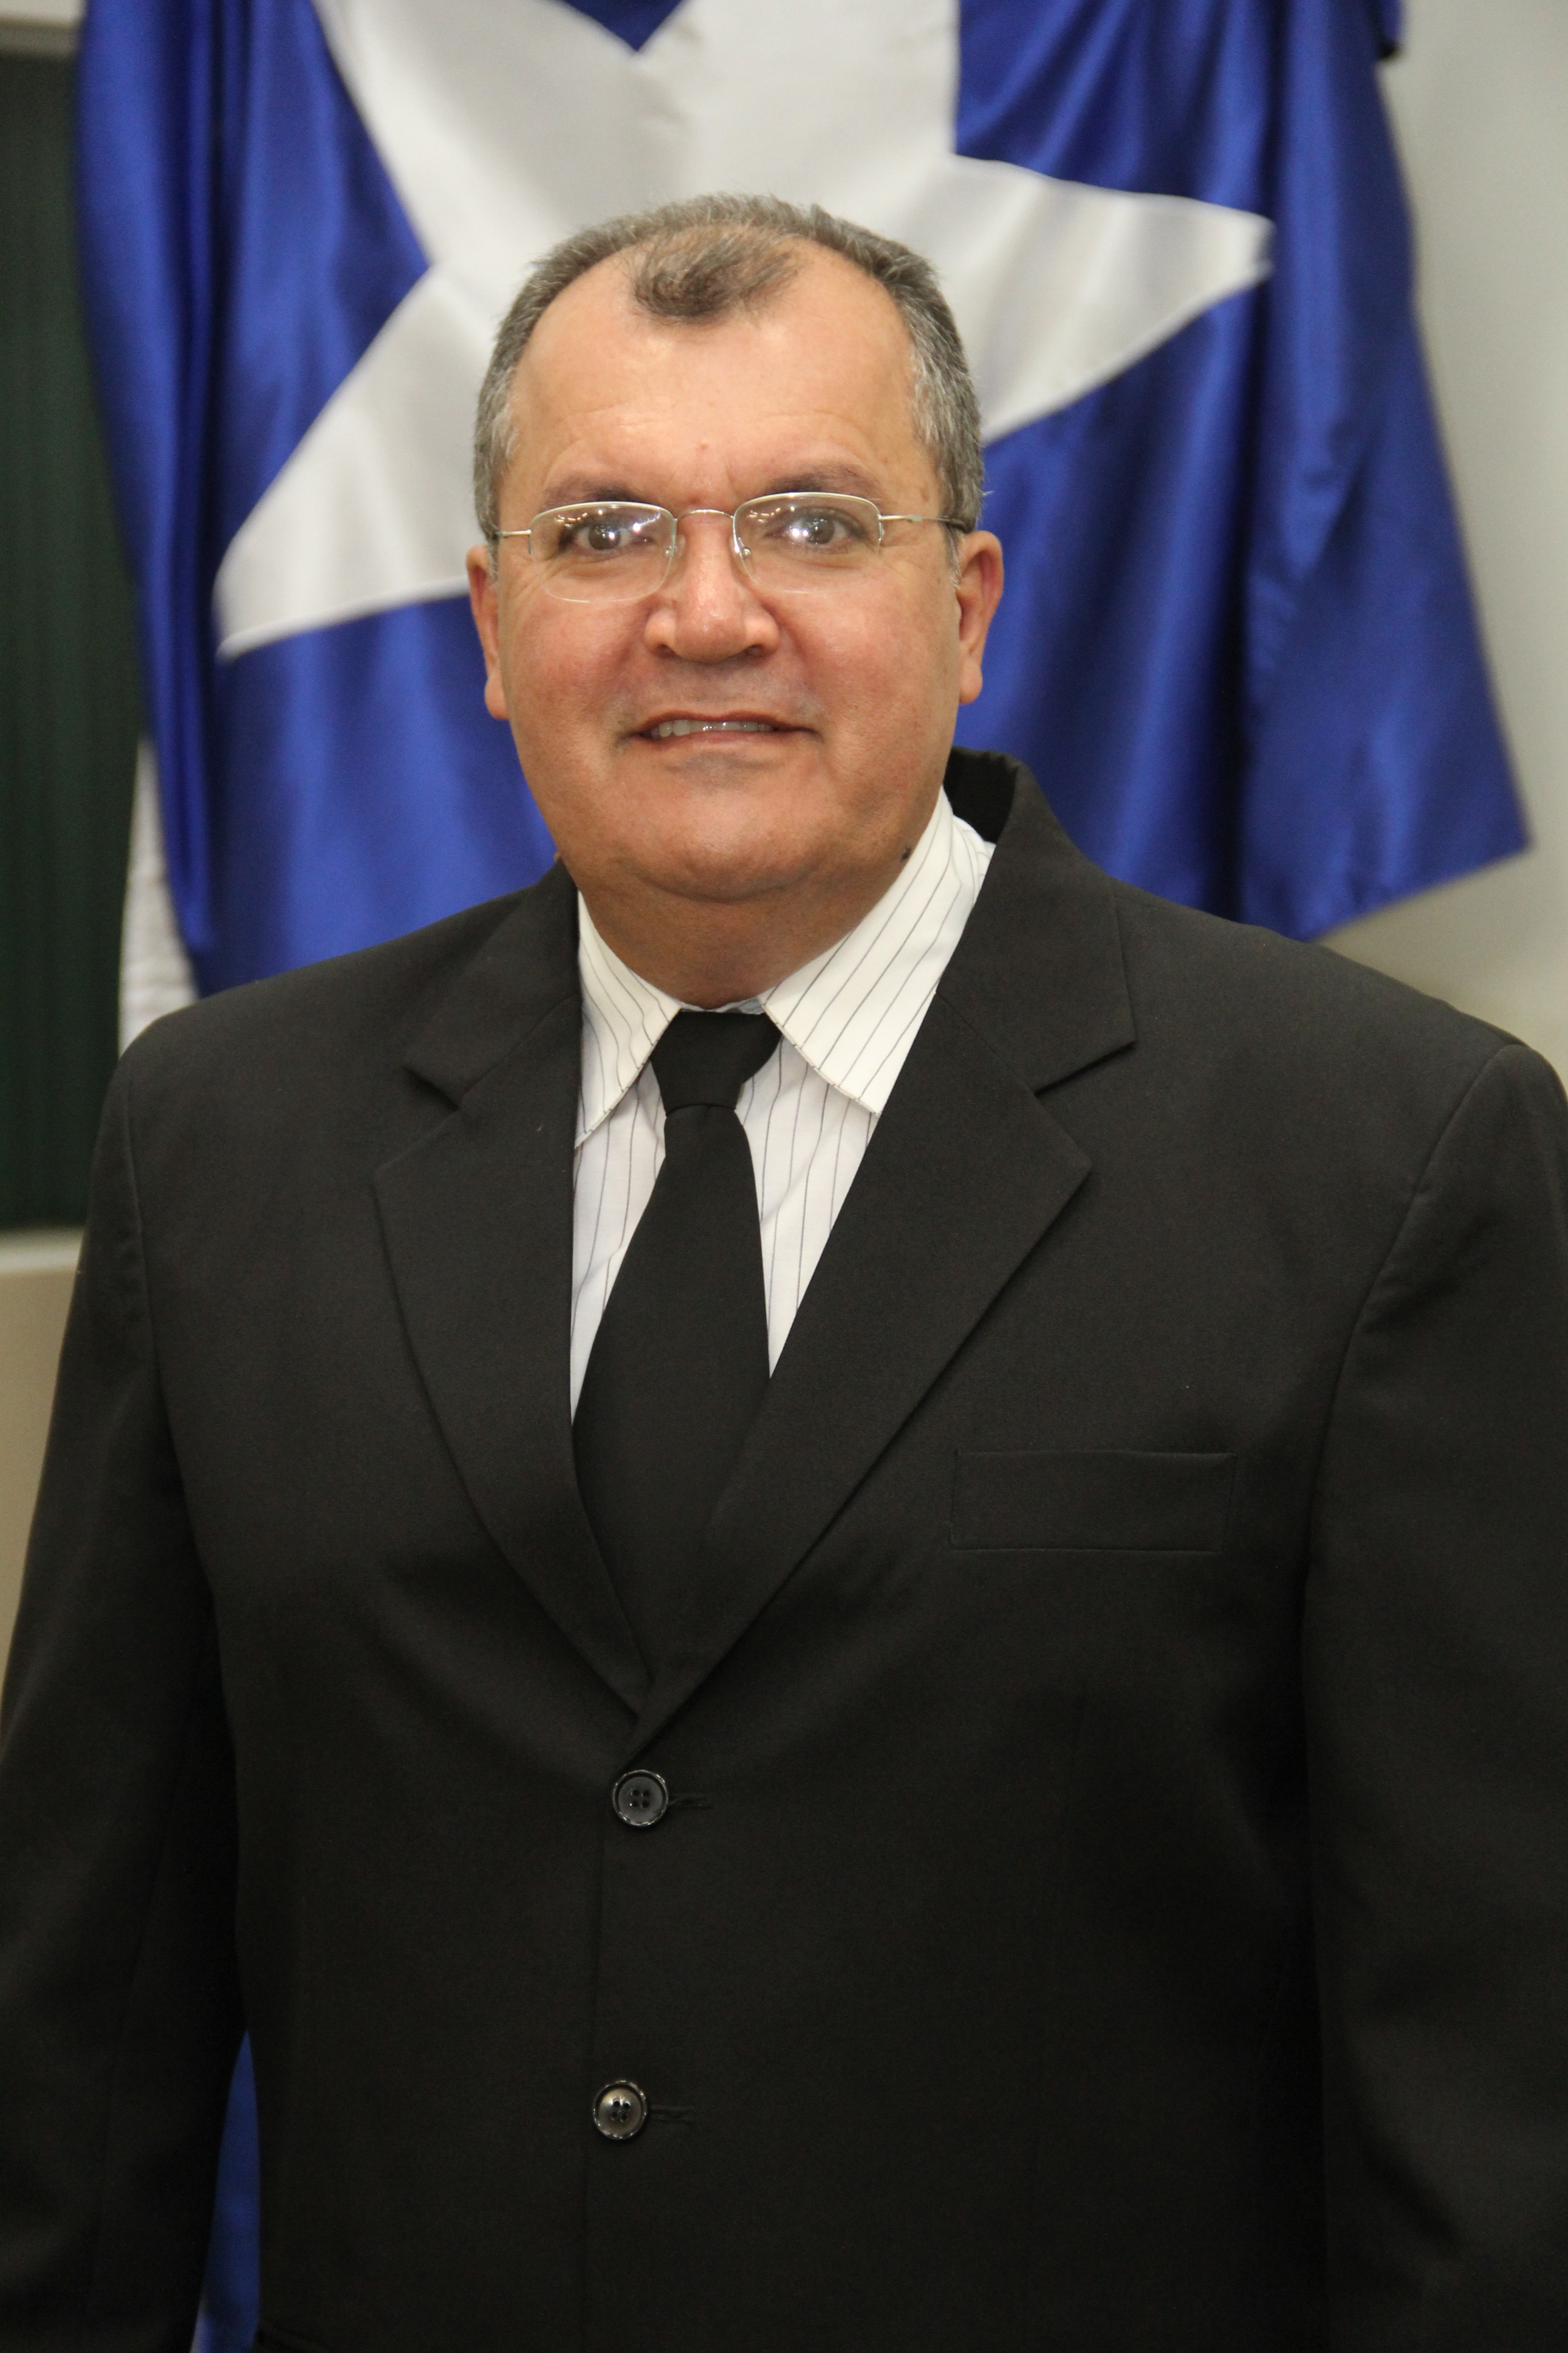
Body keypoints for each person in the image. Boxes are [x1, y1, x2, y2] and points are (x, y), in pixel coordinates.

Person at [2, 191, 1566, 2353]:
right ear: (491, 622)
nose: (706, 613)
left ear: (967, 605)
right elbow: (84, 2028)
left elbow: (1493, 2091)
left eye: (816, 526)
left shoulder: (1386, 1157)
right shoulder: (224, 1142)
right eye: (606, 531)